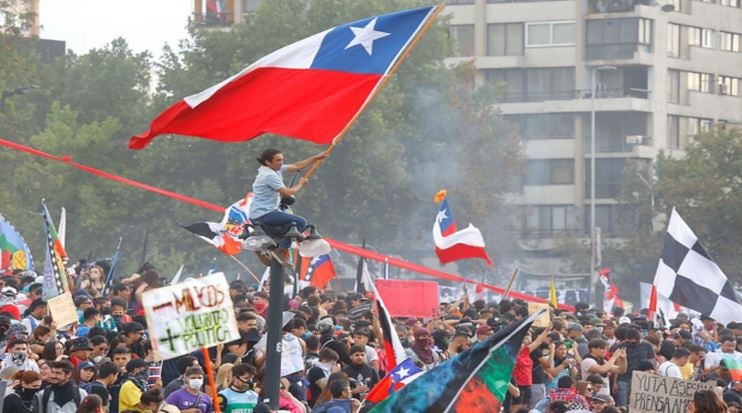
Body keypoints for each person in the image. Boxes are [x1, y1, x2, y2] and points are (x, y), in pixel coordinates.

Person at [248, 148, 328, 263]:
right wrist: (301, 184)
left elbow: (297, 166)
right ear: (268, 162)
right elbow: (287, 192)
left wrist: (316, 158)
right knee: (300, 222)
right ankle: (281, 249)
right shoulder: (268, 175)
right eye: (278, 160)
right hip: (264, 214)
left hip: (265, 213)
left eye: (282, 160)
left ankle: (271, 246)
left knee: (290, 226)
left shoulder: (275, 169)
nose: (281, 163)